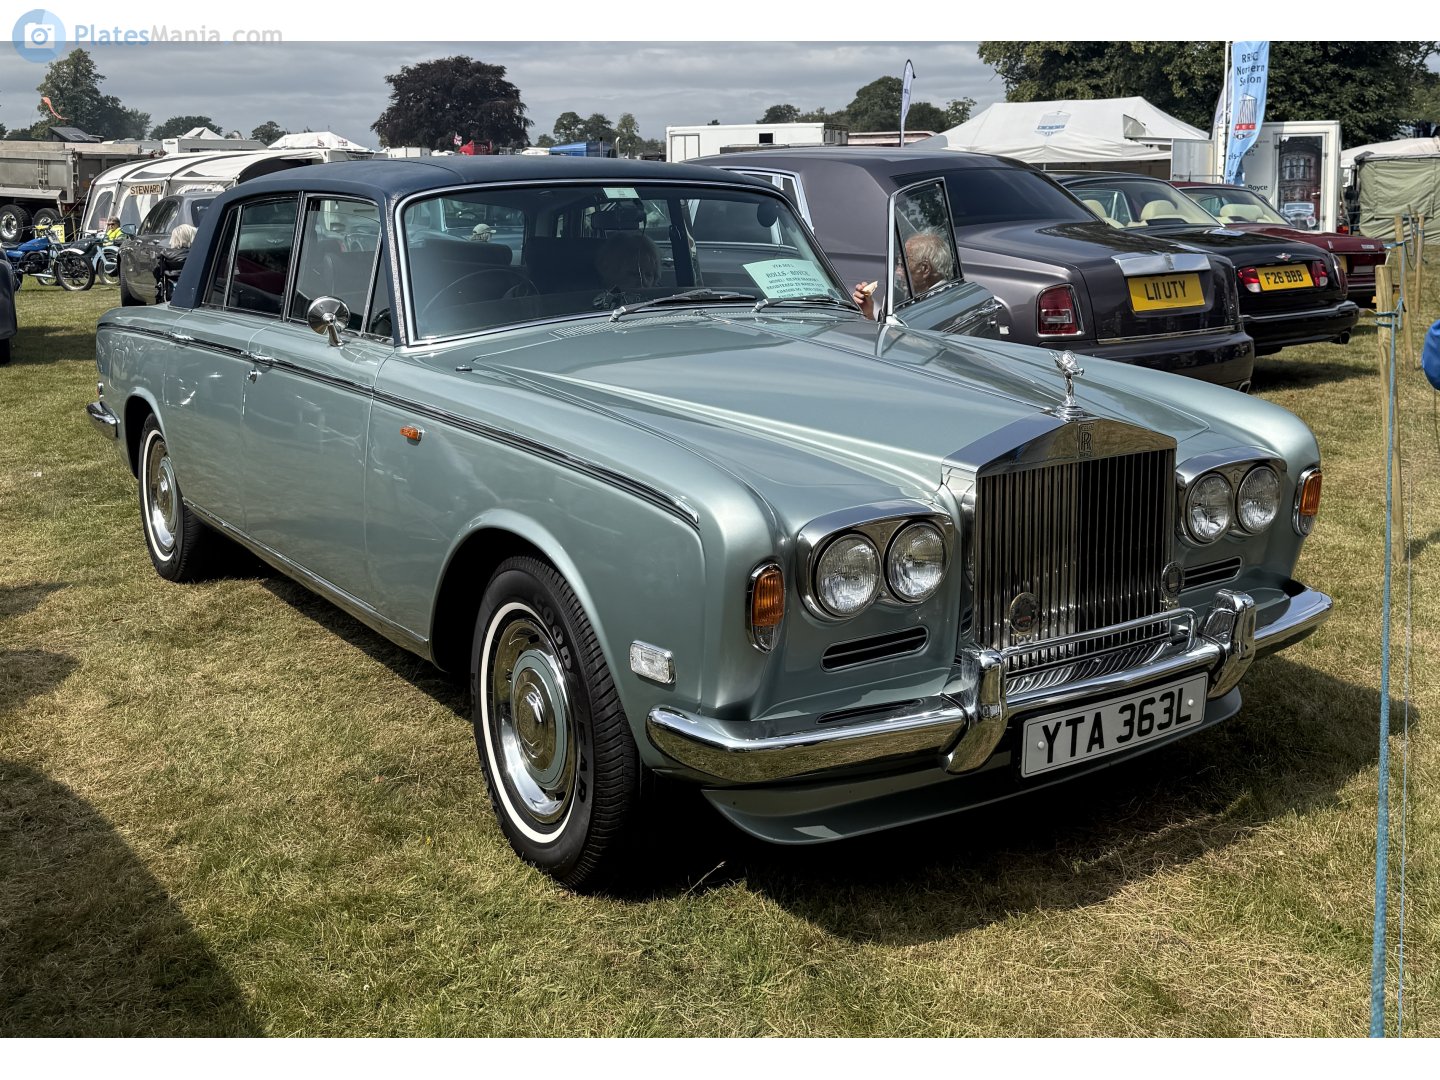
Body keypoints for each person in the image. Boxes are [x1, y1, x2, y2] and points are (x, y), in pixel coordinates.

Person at [851, 230, 955, 320]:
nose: (897, 271)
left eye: (902, 264)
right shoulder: (944, 295)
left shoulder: (933, 308)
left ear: (925, 269)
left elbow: (893, 341)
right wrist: (869, 313)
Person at [593, 232, 661, 308]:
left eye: (648, 275)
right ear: (610, 273)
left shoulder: (663, 305)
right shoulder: (593, 307)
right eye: (634, 274)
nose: (643, 282)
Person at [154, 223, 197, 303]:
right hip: (193, 296)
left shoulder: (165, 255)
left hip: (170, 296)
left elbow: (156, 273)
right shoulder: (196, 255)